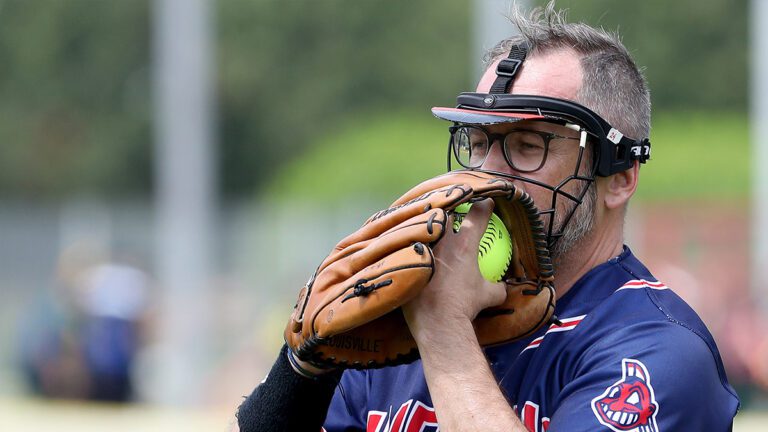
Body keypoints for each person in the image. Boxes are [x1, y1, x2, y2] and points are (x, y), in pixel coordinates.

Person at [235, 4, 740, 431]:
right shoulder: (395, 328)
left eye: (527, 146)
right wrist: (303, 369)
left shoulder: (657, 351)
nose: (488, 174)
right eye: (478, 143)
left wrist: (443, 327)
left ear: (621, 176)